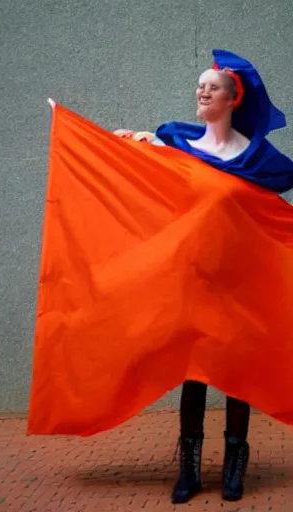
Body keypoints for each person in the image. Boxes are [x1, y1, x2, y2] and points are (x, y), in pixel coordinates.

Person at [112, 50, 293, 504]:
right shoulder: (180, 144)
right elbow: (141, 157)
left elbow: (274, 203)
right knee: (194, 371)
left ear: (232, 100)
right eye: (199, 85)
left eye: (212, 87)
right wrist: (119, 141)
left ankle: (235, 465)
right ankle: (189, 469)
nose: (202, 91)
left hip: (238, 282)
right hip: (192, 279)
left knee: (237, 374)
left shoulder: (255, 158)